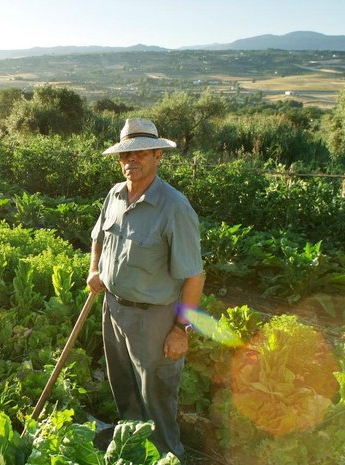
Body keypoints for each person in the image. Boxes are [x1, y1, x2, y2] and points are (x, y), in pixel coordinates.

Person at [86, 117, 205, 462]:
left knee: (157, 396)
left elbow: (194, 277)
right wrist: (95, 269)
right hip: (113, 309)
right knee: (123, 386)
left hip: (153, 318)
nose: (130, 161)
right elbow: (98, 238)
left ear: (158, 156)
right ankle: (134, 449)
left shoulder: (174, 207)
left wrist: (181, 330)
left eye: (139, 153)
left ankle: (168, 455)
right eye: (125, 155)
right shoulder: (115, 195)